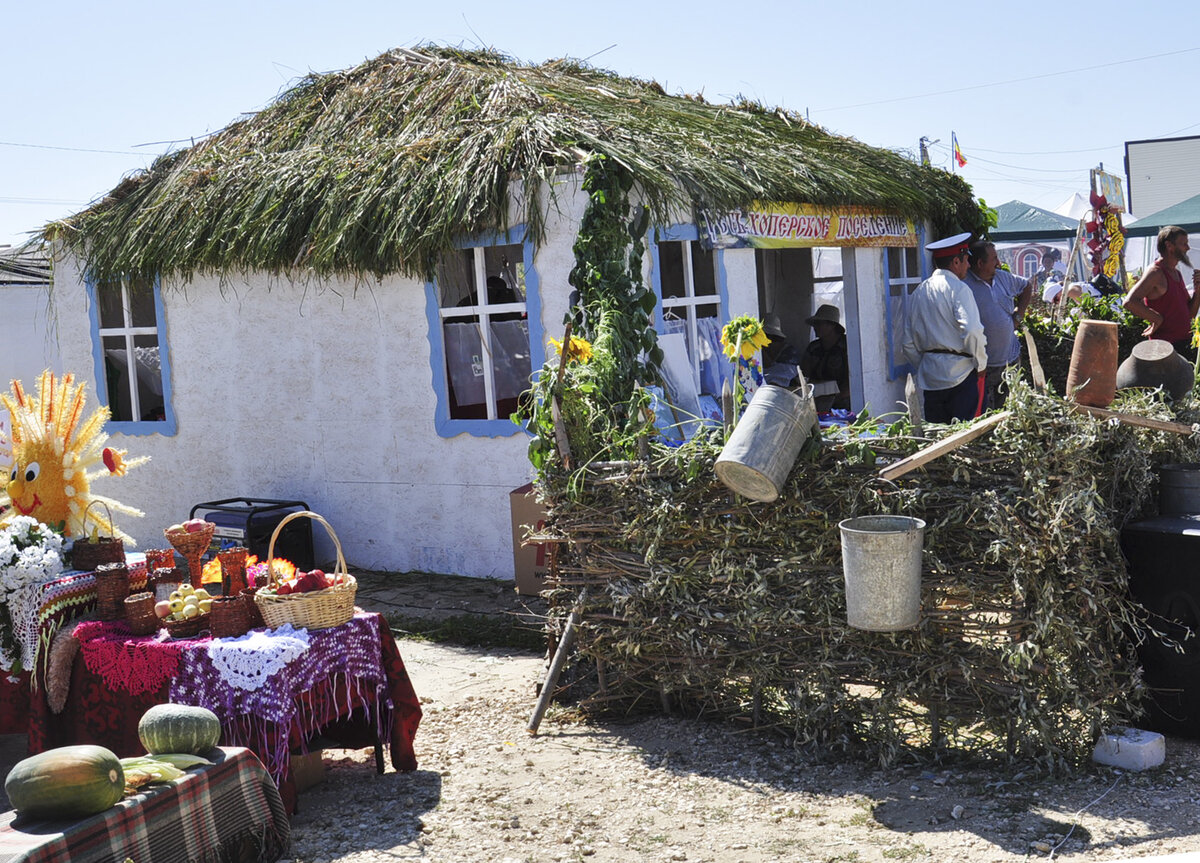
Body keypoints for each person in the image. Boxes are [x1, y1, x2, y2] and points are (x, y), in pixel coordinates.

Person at [900, 232, 987, 423]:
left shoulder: (919, 292)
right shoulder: (959, 288)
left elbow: (907, 343)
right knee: (964, 438)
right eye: (966, 260)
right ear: (956, 262)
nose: (969, 265)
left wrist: (926, 364)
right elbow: (972, 330)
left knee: (937, 437)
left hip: (931, 378)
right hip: (961, 375)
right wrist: (981, 363)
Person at [964, 241, 1034, 409]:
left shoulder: (1003, 277)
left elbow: (1027, 286)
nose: (999, 263)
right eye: (994, 258)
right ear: (980, 263)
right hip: (982, 366)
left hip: (1010, 360)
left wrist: (1019, 315)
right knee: (986, 414)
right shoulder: (965, 285)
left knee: (1010, 411)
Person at [1123, 225, 1200, 355]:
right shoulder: (1156, 272)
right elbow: (1129, 302)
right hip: (1166, 350)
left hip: (1184, 345)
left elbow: (1190, 314)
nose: (1187, 248)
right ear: (1169, 246)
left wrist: (1198, 291)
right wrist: (1156, 319)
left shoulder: (1176, 273)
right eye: (1183, 244)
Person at [798, 304, 850, 411]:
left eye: (819, 324)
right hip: (816, 400)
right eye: (814, 324)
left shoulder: (847, 346)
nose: (815, 328)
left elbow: (851, 381)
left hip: (842, 402)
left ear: (832, 325)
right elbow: (803, 376)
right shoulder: (813, 348)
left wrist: (834, 400)